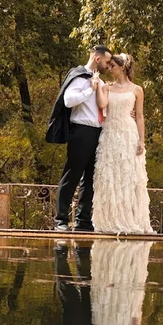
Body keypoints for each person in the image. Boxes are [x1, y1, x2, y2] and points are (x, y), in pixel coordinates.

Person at [46, 45, 112, 232]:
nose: (108, 66)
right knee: (72, 174)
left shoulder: (98, 80)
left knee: (90, 178)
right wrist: (89, 90)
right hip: (81, 131)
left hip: (97, 132)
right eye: (107, 62)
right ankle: (61, 220)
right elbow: (68, 101)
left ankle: (83, 221)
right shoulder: (79, 76)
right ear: (97, 59)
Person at [91, 53, 153, 234]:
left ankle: (130, 220)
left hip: (128, 134)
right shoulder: (107, 88)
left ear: (122, 67)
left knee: (128, 177)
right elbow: (102, 104)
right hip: (110, 133)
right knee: (109, 176)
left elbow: (140, 116)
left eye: (112, 66)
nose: (109, 69)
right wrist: (96, 86)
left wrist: (142, 140)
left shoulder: (137, 90)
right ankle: (109, 221)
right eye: (108, 66)